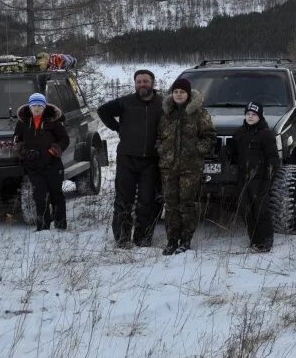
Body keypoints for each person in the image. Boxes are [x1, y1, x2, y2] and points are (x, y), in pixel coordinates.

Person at [97, 70, 163, 248]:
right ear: (135, 84)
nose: (142, 84)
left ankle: (143, 238)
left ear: (152, 83)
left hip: (150, 160)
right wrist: (118, 128)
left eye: (146, 81)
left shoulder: (162, 103)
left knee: (147, 201)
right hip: (127, 158)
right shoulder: (126, 102)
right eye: (139, 81)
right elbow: (102, 111)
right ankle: (122, 238)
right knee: (123, 200)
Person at [156, 78, 216, 255]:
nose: (178, 95)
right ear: (172, 94)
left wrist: (198, 150)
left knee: (187, 204)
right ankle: (172, 240)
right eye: (176, 92)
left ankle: (186, 240)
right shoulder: (166, 113)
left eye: (182, 92)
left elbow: (210, 136)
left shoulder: (199, 113)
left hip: (190, 168)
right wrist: (160, 149)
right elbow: (159, 136)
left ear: (188, 94)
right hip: (168, 167)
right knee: (171, 205)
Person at [227, 101, 280, 252]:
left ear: (260, 116)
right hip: (243, 179)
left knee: (261, 210)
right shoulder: (239, 133)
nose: (250, 117)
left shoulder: (266, 134)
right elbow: (233, 150)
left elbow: (273, 157)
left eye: (254, 114)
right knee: (246, 209)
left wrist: (271, 175)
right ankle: (255, 241)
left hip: (260, 179)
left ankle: (266, 241)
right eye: (248, 114)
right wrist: (226, 151)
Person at [14, 93, 70, 231]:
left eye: (40, 106)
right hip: (33, 167)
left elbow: (64, 139)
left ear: (45, 107)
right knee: (39, 196)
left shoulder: (53, 121)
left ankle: (60, 225)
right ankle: (43, 227)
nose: (37, 108)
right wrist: (24, 152)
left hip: (53, 165)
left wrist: (54, 150)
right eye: (34, 106)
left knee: (56, 194)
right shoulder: (22, 123)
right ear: (29, 106)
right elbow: (17, 140)